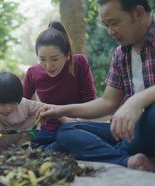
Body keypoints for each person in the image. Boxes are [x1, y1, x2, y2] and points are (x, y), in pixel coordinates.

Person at [39, 0, 155, 172]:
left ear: (138, 13)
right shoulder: (120, 54)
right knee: (67, 131)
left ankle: (113, 151)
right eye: (105, 25)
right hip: (130, 132)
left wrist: (135, 102)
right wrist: (60, 110)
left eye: (114, 23)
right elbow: (107, 102)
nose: (110, 31)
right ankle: (126, 159)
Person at [23, 21, 97, 149]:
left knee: (71, 138)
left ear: (67, 54)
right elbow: (21, 105)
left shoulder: (79, 63)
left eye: (55, 59)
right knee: (41, 145)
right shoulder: (33, 72)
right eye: (42, 59)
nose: (48, 65)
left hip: (77, 126)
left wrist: (78, 122)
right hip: (48, 132)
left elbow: (90, 101)